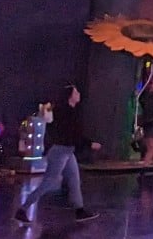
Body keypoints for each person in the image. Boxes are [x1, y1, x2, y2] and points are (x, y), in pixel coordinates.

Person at [16, 84, 99, 225]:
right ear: (70, 96)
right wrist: (89, 144)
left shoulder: (69, 111)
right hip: (60, 152)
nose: (79, 94)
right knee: (49, 182)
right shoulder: (66, 113)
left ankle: (79, 210)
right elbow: (73, 135)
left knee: (74, 180)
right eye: (76, 91)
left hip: (67, 151)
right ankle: (22, 210)